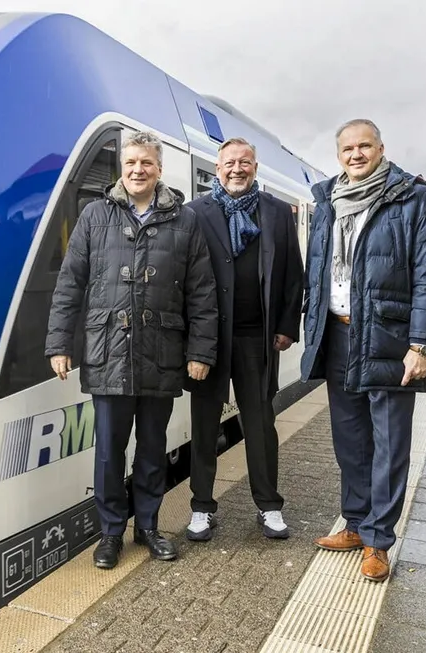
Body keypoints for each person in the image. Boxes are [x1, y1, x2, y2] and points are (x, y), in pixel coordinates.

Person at [45, 130, 218, 570]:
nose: (138, 170)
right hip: (109, 351)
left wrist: (200, 352)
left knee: (152, 447)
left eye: (146, 163)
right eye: (131, 163)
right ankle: (109, 534)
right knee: (108, 450)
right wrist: (60, 342)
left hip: (161, 351)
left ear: (160, 169)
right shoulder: (94, 215)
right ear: (122, 169)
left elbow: (201, 292)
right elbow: (70, 283)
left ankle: (148, 527)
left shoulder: (184, 220)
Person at [300, 118, 426, 582]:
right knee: (350, 441)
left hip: (389, 336)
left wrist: (421, 344)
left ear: (382, 148)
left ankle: (379, 541)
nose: (356, 154)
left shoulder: (414, 198)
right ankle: (355, 522)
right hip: (338, 334)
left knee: (389, 443)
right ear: (338, 153)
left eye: (365, 146)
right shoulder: (327, 201)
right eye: (347, 148)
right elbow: (318, 269)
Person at [183, 137, 304, 542]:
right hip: (208, 340)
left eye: (245, 162)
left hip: (257, 338)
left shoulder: (275, 212)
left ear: (256, 168)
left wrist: (287, 325)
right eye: (229, 163)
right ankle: (201, 507)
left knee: (260, 424)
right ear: (217, 169)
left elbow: (292, 273)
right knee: (202, 426)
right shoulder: (195, 213)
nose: (237, 169)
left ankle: (269, 506)